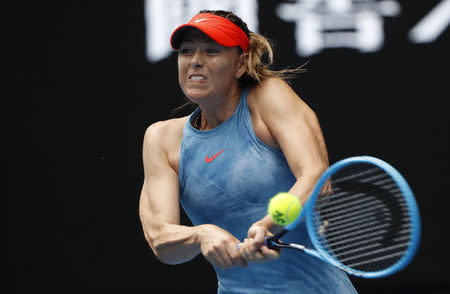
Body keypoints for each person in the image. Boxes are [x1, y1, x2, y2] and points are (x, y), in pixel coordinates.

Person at [139, 10, 357, 294]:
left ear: (240, 64)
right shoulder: (161, 139)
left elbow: (316, 178)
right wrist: (200, 235)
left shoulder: (269, 97)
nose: (195, 61)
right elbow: (161, 241)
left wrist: (270, 225)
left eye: (212, 51)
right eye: (187, 51)